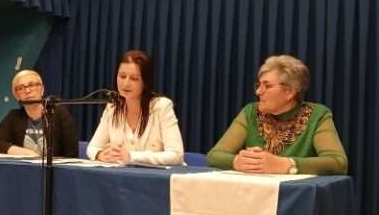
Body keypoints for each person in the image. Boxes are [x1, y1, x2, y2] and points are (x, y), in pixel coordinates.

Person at [207, 54, 348, 175]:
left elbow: (338, 162)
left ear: (290, 92)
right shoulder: (250, 112)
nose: (258, 92)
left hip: (296, 195)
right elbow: (214, 156)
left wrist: (287, 165)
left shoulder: (317, 115)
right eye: (259, 85)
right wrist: (237, 161)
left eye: (267, 86)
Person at [87, 50, 184, 166]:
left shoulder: (162, 106)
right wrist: (100, 154)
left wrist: (132, 156)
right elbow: (92, 147)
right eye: (122, 76)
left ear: (145, 82)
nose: (126, 83)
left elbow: (176, 155)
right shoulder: (112, 107)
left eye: (134, 78)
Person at [0, 69, 78, 157]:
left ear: (42, 89)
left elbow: (72, 152)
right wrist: (25, 153)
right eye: (21, 88)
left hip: (54, 165)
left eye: (32, 85)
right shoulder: (13, 116)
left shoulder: (59, 113)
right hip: (24, 165)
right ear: (17, 96)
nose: (27, 90)